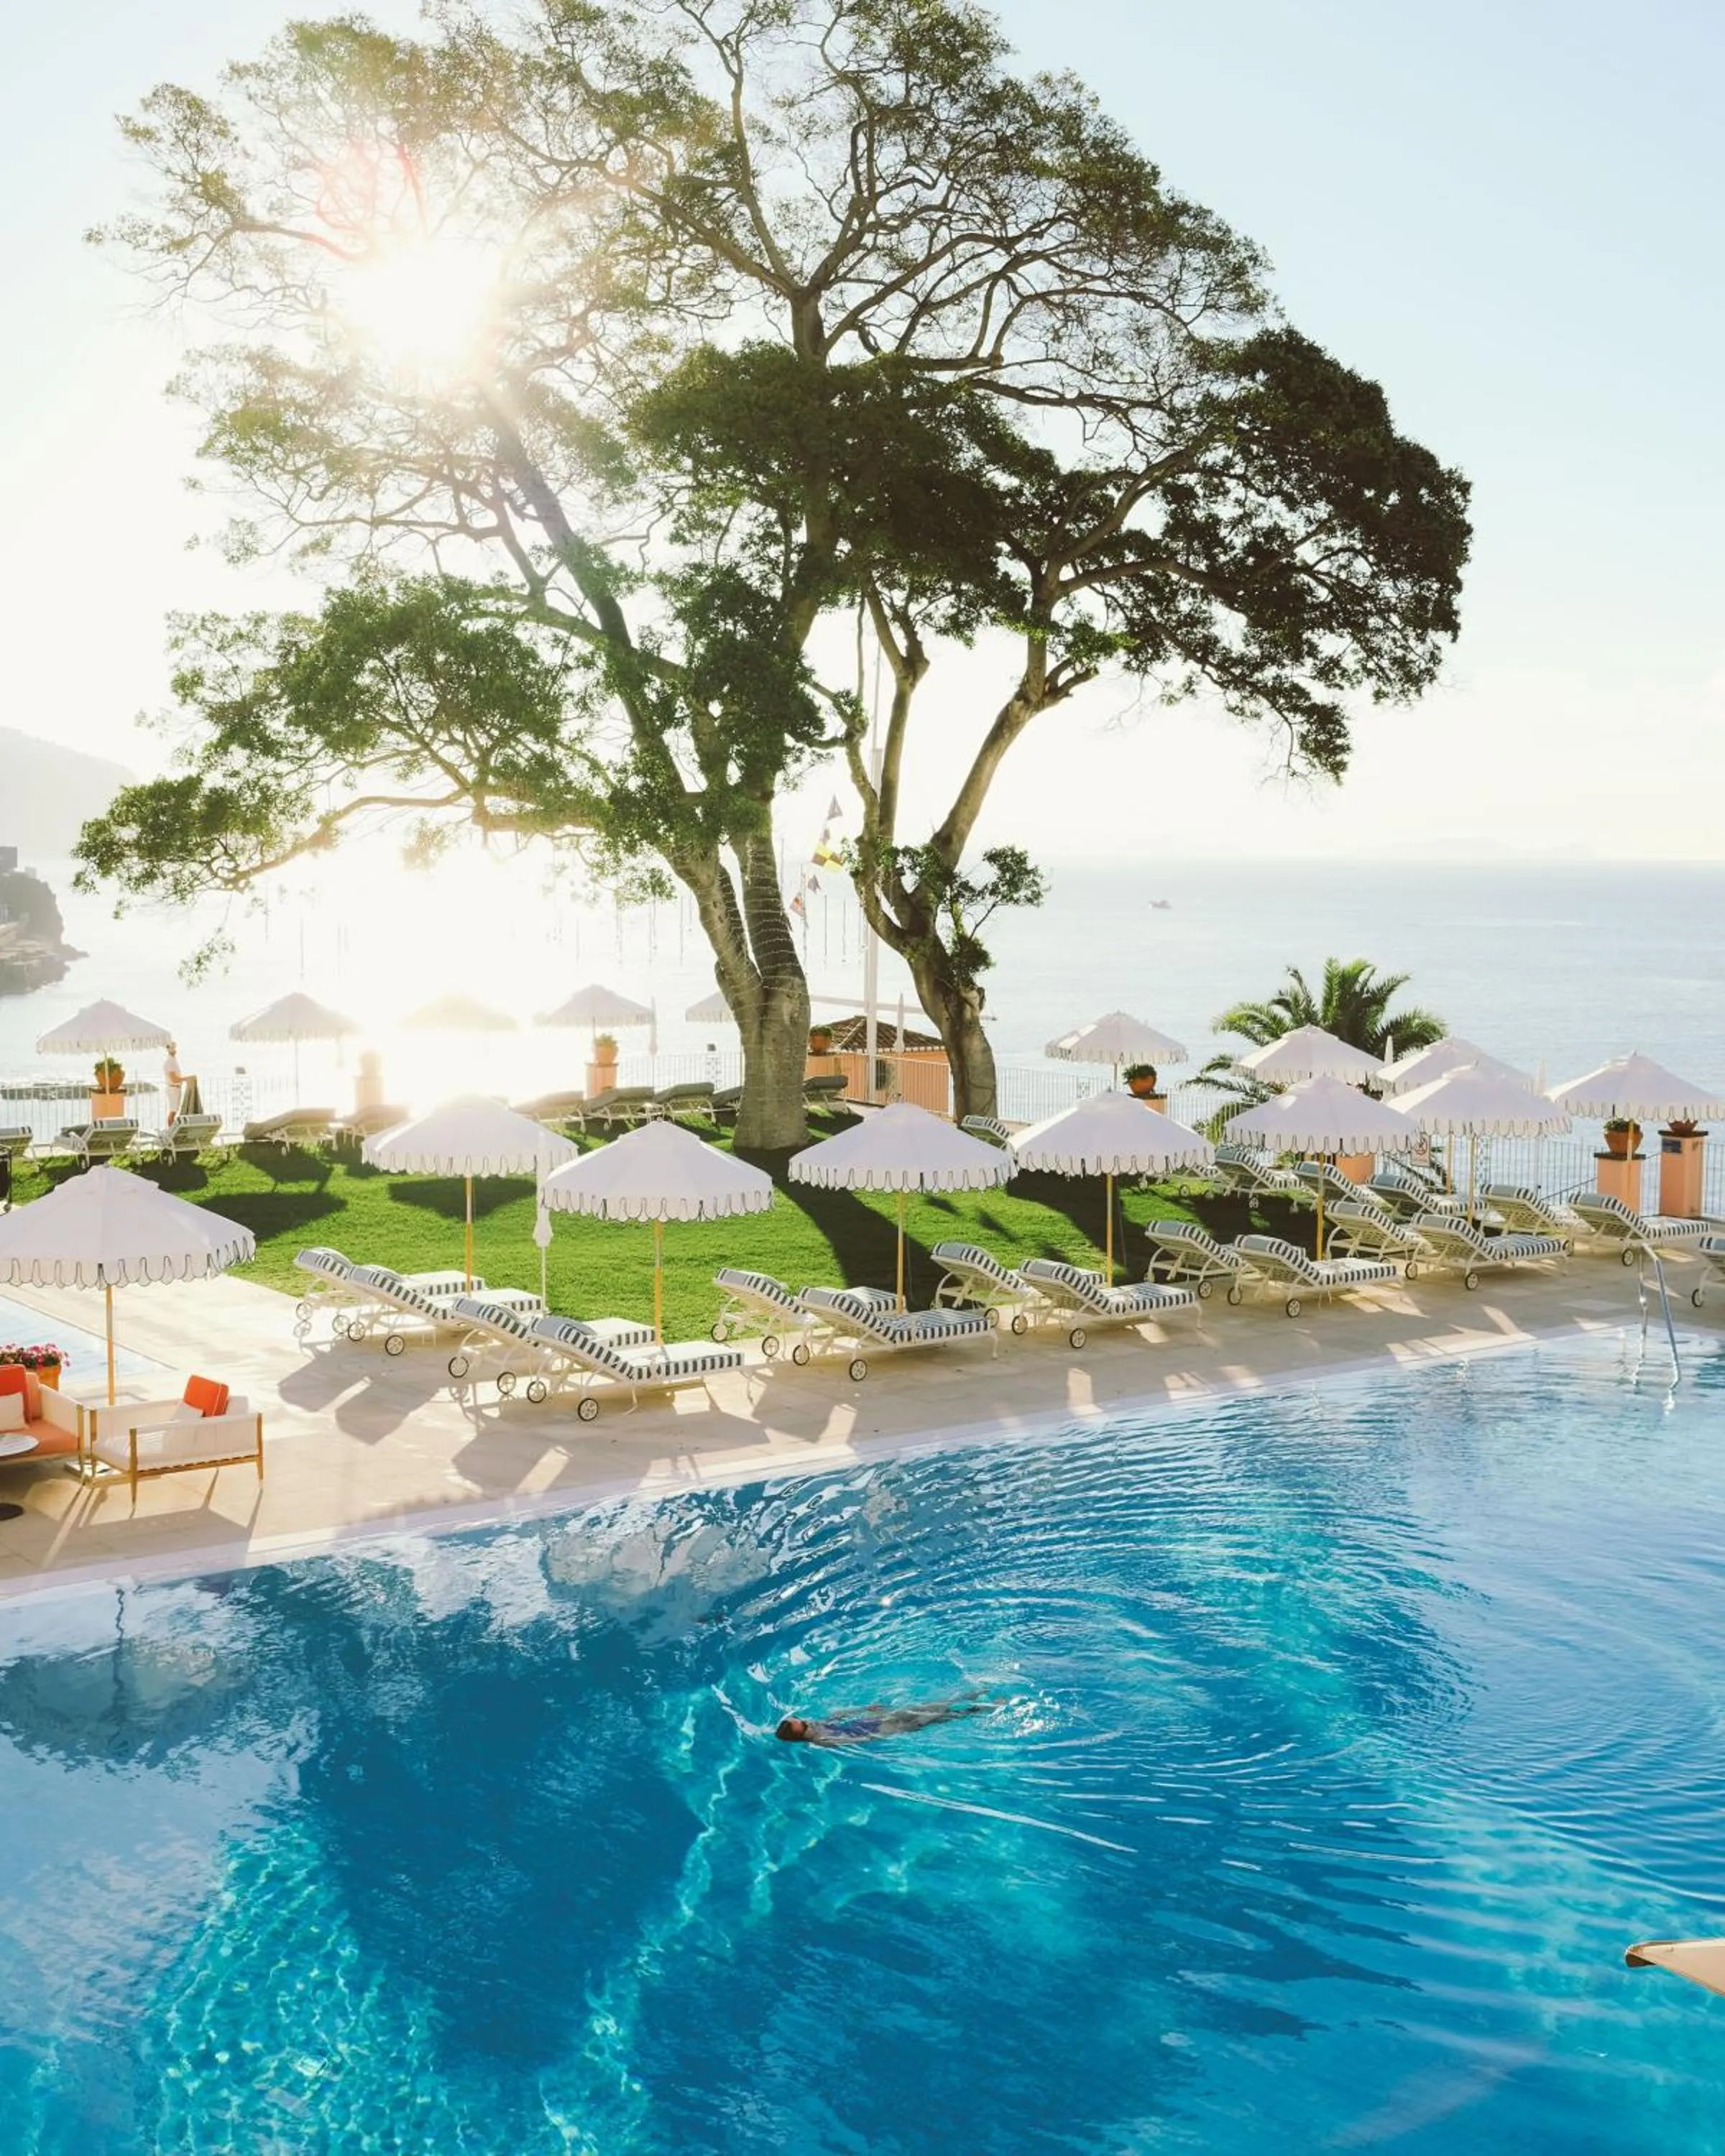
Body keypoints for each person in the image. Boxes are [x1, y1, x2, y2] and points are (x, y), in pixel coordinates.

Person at [776, 1692, 998, 1748]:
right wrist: (878, 1734)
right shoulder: (821, 1740)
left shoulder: (814, 1727)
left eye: (801, 1719)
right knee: (937, 1718)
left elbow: (836, 1716)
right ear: (800, 1733)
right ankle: (981, 1709)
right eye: (802, 1724)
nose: (807, 1721)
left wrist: (864, 1709)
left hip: (879, 1719)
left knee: (929, 1707)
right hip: (887, 1728)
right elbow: (857, 1741)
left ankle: (972, 1694)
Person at [162, 1040, 184, 1126]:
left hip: (176, 1088)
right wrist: (187, 1079)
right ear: (168, 1049)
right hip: (173, 1088)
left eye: (174, 1048)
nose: (174, 1050)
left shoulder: (173, 1061)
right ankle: (171, 1132)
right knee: (173, 1112)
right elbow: (174, 1079)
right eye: (172, 1048)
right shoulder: (169, 1062)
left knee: (174, 1111)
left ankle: (172, 1131)